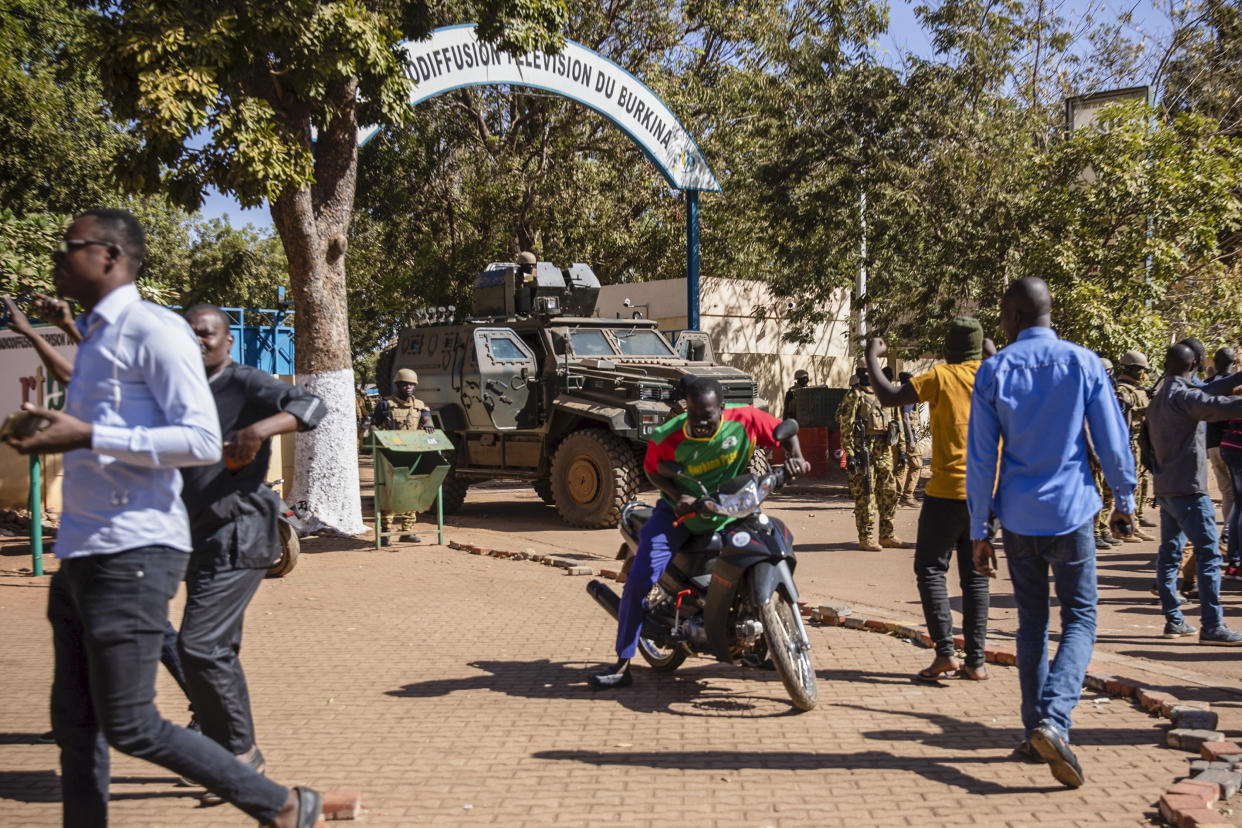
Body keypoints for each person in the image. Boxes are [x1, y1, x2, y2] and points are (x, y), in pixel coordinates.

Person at [4, 209, 320, 827]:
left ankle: (269, 790)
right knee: (79, 724)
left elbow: (220, 433)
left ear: (110, 256)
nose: (59, 256)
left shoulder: (161, 334)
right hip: (96, 547)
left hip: (170, 541)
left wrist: (90, 432)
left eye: (72, 246)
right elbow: (104, 429)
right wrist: (57, 432)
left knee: (154, 697)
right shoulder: (97, 338)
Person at [3, 294, 201, 736]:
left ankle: (204, 710)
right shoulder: (114, 372)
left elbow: (76, 375)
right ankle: (81, 715)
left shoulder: (146, 375)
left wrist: (34, 333)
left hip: (133, 531)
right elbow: (82, 374)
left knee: (153, 632)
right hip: (95, 534)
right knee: (87, 624)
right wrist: (40, 331)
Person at [967, 276, 1135, 789]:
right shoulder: (1083, 362)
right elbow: (1109, 436)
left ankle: (1034, 730)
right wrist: (1125, 498)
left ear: (1014, 317)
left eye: (1002, 314)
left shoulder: (995, 370)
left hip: (1017, 516)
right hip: (1072, 511)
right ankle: (1054, 721)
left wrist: (979, 528)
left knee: (1031, 625)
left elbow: (980, 459)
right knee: (1081, 618)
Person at [178, 304, 325, 805]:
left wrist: (258, 430)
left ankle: (240, 755)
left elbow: (311, 407)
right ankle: (213, 731)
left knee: (198, 644)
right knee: (216, 648)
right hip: (196, 535)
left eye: (207, 334)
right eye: (190, 333)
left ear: (227, 340)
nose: (198, 341)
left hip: (241, 534)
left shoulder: (246, 383)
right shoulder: (177, 387)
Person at [588, 376, 811, 688]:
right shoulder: (669, 434)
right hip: (680, 513)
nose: (700, 424)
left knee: (765, 547)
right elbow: (653, 469)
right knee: (640, 577)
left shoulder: (744, 419)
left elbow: (784, 431)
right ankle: (622, 664)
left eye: (707, 417)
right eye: (693, 417)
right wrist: (677, 495)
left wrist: (795, 455)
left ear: (722, 408)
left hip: (733, 506)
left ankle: (761, 644)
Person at [866, 319, 990, 683]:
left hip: (947, 492)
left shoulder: (941, 376)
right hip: (986, 496)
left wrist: (872, 355)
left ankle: (945, 653)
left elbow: (889, 396)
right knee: (976, 575)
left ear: (948, 347)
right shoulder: (995, 375)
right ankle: (977, 661)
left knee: (931, 569)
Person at [1145, 343, 1242, 644]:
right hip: (1189, 490)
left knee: (1170, 555)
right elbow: (1221, 405)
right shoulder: (1185, 397)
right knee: (1209, 556)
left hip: (1166, 488)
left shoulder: (1161, 396)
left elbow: (1212, 389)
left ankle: (1174, 619)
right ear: (1194, 366)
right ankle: (1212, 625)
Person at [836, 358, 906, 551]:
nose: (866, 375)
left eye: (870, 371)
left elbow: (896, 423)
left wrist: (901, 450)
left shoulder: (887, 395)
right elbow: (846, 427)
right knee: (866, 495)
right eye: (862, 372)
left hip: (883, 449)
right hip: (862, 450)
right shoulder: (854, 396)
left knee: (890, 492)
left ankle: (887, 534)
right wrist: (849, 454)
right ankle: (866, 537)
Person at [371, 367, 435, 543]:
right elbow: (374, 424)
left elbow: (428, 418)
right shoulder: (385, 404)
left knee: (412, 492)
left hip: (413, 455)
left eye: (411, 385)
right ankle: (385, 530)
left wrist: (428, 423)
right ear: (397, 385)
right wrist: (377, 438)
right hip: (390, 456)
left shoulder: (420, 406)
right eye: (404, 384)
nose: (408, 387)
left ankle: (407, 530)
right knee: (389, 492)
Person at [1115, 350, 1155, 537]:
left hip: (1142, 439)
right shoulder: (1123, 389)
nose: (1143, 374)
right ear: (1131, 369)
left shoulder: (1138, 388)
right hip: (1130, 438)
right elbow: (1125, 412)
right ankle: (1130, 522)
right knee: (1133, 481)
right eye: (1140, 370)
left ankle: (1138, 513)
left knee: (1143, 478)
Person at [1206, 348, 1237, 545]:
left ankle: (1228, 531)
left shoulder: (1208, 385)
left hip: (1213, 445)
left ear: (1214, 364)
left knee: (1227, 492)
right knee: (1236, 492)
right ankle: (1229, 533)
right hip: (1234, 446)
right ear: (1233, 363)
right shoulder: (1236, 385)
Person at [896, 371, 922, 505]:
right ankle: (907, 496)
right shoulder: (909, 397)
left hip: (899, 437)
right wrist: (911, 440)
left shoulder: (899, 395)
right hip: (907, 437)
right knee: (916, 465)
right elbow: (906, 418)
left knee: (901, 466)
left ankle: (896, 498)